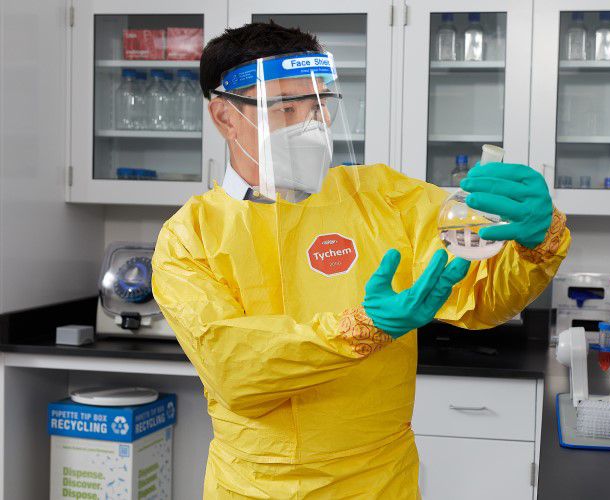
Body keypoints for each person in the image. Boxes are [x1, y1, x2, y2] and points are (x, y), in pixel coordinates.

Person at [152, 21, 570, 499]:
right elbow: (235, 366)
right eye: (287, 108)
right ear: (225, 117)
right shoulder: (189, 237)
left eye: (318, 107)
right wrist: (364, 327)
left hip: (381, 483)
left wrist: (535, 241)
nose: (311, 126)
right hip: (256, 489)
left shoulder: (383, 198)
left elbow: (483, 294)